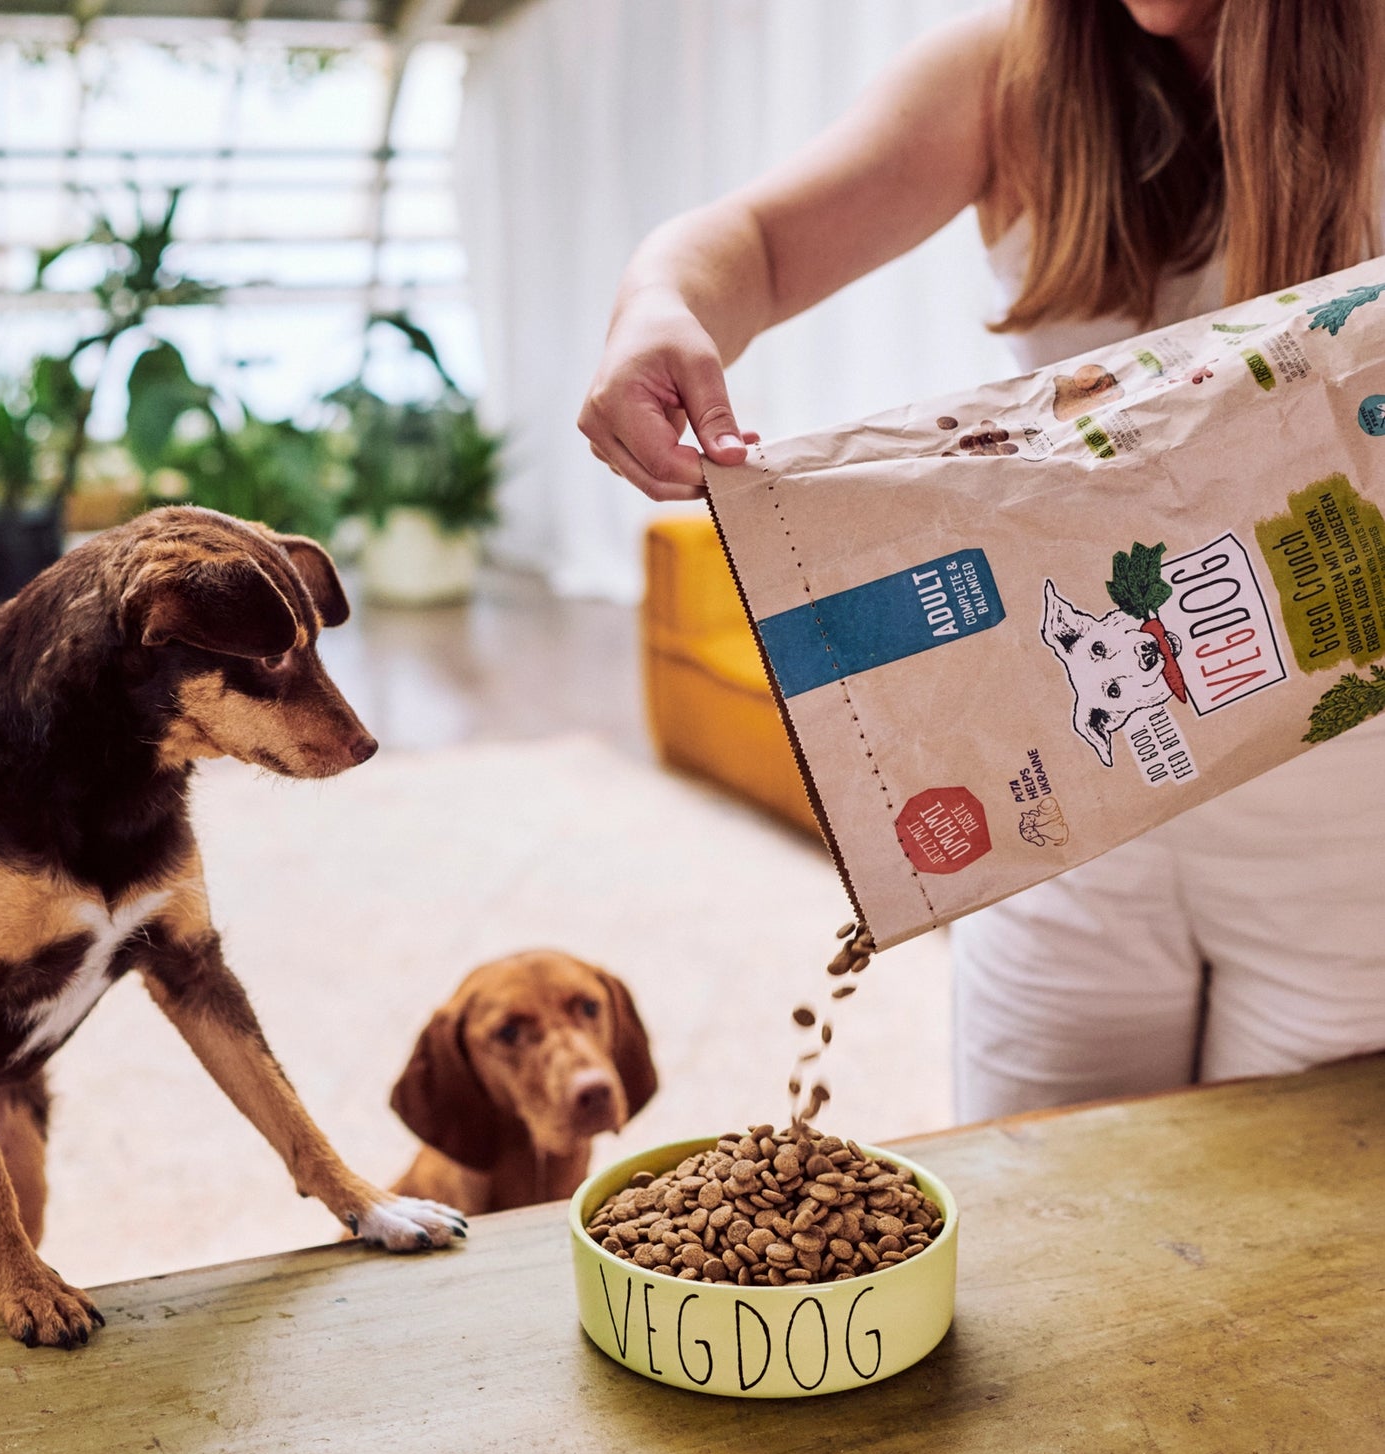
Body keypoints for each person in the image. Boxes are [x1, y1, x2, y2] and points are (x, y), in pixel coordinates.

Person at [579, 0, 1385, 1121]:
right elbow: (755, 242)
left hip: (1349, 844)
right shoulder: (1008, 68)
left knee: (1288, 1256)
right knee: (1045, 1210)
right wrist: (656, 306)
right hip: (1061, 794)